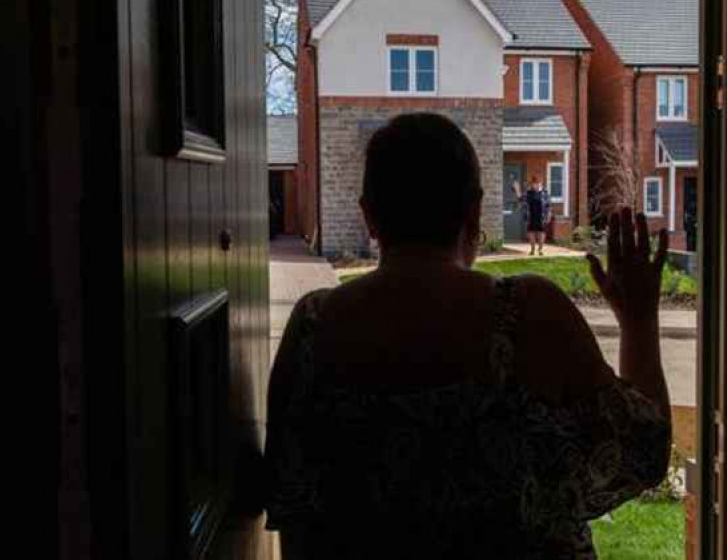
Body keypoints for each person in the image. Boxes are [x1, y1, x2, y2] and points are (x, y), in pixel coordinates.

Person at [264, 113, 672, 560]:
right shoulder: (528, 312)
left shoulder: (312, 327)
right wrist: (638, 318)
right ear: (474, 210)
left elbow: (293, 509)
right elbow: (642, 451)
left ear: (369, 217)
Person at [519, 175, 552, 255]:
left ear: (541, 184)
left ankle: (540, 249)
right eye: (534, 184)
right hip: (530, 215)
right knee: (531, 232)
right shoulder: (528, 193)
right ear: (532, 184)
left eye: (538, 183)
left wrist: (549, 215)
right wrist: (517, 190)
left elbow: (549, 205)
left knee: (541, 232)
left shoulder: (545, 193)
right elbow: (521, 200)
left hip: (542, 216)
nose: (536, 185)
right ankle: (532, 249)